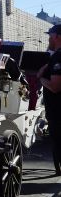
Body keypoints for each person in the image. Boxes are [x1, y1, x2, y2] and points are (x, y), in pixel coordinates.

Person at [37, 24, 61, 176]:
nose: (48, 38)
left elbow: (55, 86)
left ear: (57, 37)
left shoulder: (59, 57)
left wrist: (40, 78)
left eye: (50, 36)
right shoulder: (55, 55)